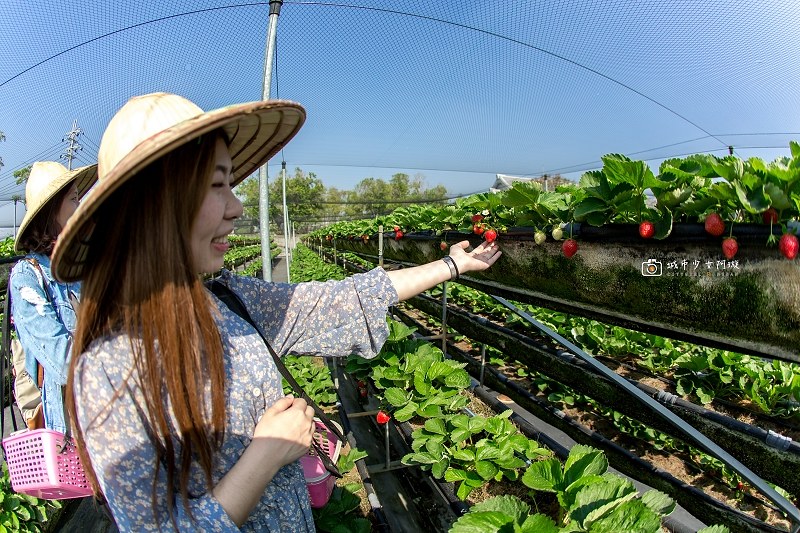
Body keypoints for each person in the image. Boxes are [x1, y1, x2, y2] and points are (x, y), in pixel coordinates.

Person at [51, 92, 501, 532]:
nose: (236, 207)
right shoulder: (108, 370)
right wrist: (266, 453)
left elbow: (340, 300)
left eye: (232, 184)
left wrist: (452, 265)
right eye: (216, 184)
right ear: (155, 204)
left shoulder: (229, 302)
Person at [9, 160, 97, 433]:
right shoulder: (27, 277)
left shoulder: (84, 269)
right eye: (73, 199)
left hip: (108, 415)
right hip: (73, 429)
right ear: (51, 211)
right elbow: (62, 361)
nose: (80, 207)